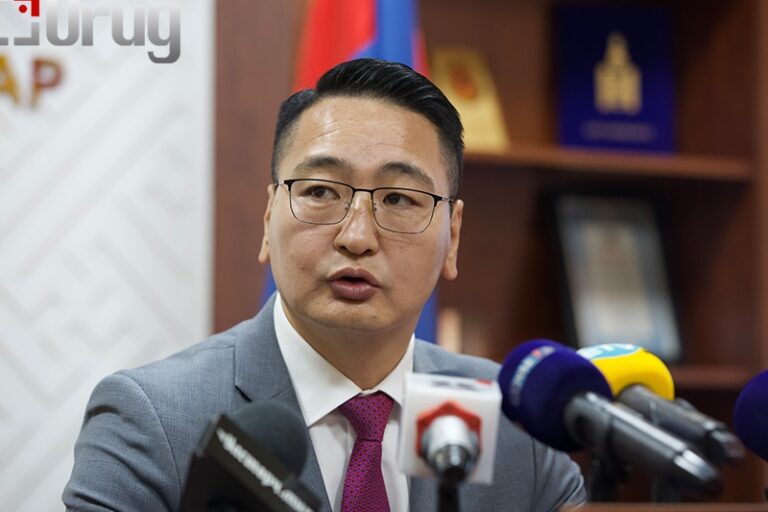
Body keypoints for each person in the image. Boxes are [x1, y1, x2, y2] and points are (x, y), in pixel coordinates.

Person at [63, 58, 586, 511]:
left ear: (453, 237)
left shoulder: (516, 425)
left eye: (399, 199)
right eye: (319, 191)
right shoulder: (152, 419)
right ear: (268, 217)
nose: (356, 238)